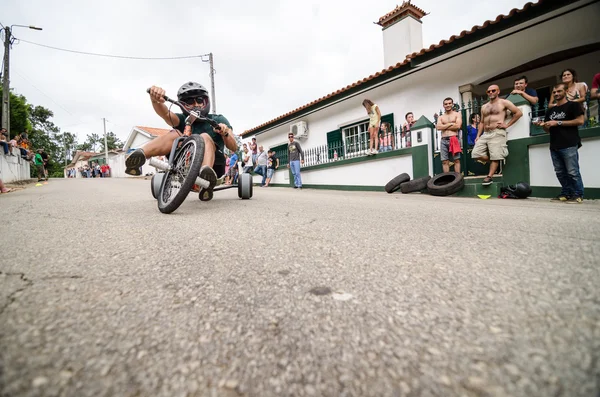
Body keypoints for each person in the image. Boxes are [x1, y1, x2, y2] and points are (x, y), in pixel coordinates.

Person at [125, 82, 237, 196]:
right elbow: (165, 113)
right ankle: (140, 156)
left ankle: (205, 174)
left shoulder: (218, 119)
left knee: (205, 137)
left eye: (199, 100)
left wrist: (225, 133)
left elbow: (233, 147)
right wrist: (155, 100)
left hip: (215, 167)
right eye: (189, 102)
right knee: (175, 133)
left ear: (205, 102)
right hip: (183, 166)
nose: (196, 105)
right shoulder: (183, 119)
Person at [535, 83, 585, 203]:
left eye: (559, 91)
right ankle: (566, 193)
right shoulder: (551, 110)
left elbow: (580, 121)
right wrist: (543, 125)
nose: (556, 94)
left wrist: (558, 123)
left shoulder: (573, 105)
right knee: (560, 172)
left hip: (569, 143)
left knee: (572, 171)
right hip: (554, 144)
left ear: (566, 91)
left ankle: (578, 195)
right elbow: (548, 129)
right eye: (554, 92)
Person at [472, 85, 523, 186]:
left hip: (497, 132)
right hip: (486, 133)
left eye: (493, 90)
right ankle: (496, 160)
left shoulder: (504, 102)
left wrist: (507, 125)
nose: (491, 92)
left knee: (495, 157)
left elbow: (518, 113)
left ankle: (489, 176)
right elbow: (481, 122)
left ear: (498, 91)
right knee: (475, 154)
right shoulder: (484, 106)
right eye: (488, 91)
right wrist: (478, 135)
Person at [436, 97, 462, 173]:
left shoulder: (457, 114)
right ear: (443, 105)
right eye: (446, 104)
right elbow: (438, 127)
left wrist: (444, 126)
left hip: (453, 138)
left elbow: (458, 126)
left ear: (452, 104)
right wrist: (451, 124)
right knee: (444, 161)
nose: (448, 105)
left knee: (456, 160)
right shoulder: (441, 117)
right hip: (443, 140)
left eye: (449, 103)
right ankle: (447, 178)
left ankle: (457, 178)